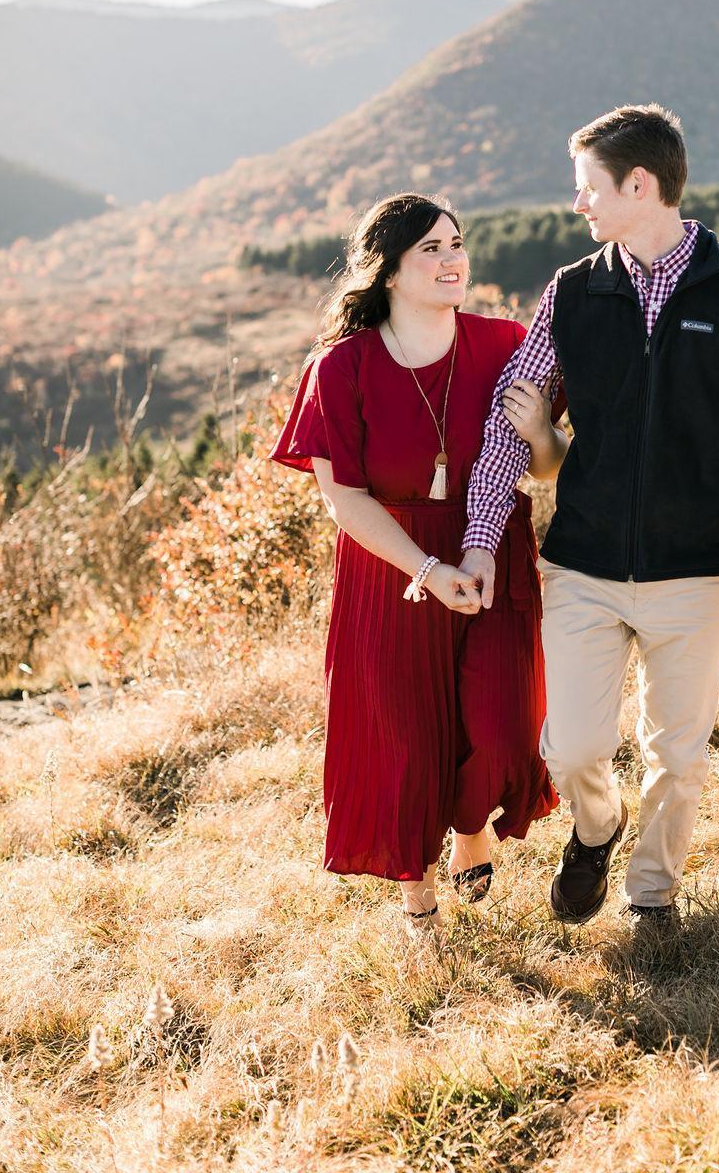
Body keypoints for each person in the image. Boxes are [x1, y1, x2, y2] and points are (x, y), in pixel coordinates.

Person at [458, 104, 719, 936]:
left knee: (677, 756)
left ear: (640, 185)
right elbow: (511, 423)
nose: (577, 202)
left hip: (698, 571)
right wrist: (480, 538)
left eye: (588, 186)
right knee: (572, 748)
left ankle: (652, 894)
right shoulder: (572, 292)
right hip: (582, 564)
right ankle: (596, 827)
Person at [271, 192, 563, 938]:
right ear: (389, 269)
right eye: (431, 248)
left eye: (457, 243)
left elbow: (547, 466)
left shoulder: (506, 343)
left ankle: (472, 826)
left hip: (493, 553)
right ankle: (419, 901)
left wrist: (541, 435)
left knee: (502, 725)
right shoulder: (340, 367)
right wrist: (426, 570)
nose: (452, 258)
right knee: (403, 740)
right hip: (391, 568)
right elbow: (344, 499)